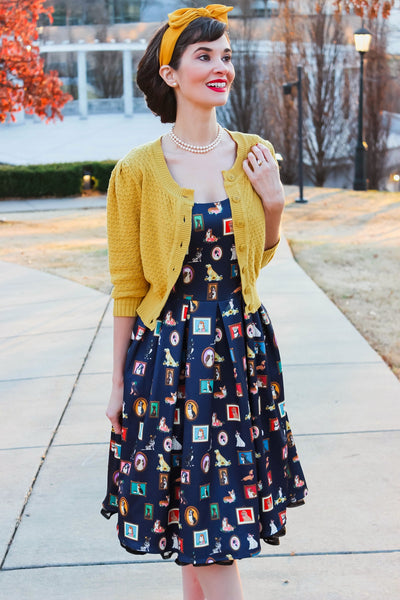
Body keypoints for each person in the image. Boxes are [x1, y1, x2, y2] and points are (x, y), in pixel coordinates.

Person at [101, 5, 307, 599]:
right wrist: (116, 383)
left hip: (239, 357)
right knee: (206, 528)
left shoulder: (254, 154)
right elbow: (127, 287)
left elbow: (255, 263)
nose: (222, 67)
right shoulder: (136, 172)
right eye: (205, 55)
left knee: (207, 525)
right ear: (171, 74)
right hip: (168, 362)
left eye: (227, 55)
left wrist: (273, 206)